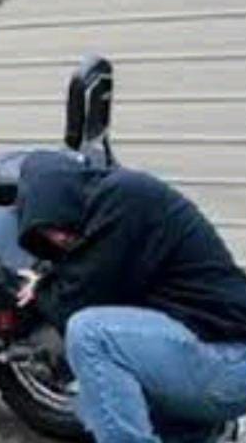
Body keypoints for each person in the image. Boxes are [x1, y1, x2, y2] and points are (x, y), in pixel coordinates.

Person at [14, 151, 246, 443]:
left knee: (91, 334)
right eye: (47, 233)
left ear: (64, 197)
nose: (57, 238)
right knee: (97, 384)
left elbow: (77, 299)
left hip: (227, 363)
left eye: (54, 224)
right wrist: (50, 281)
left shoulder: (123, 198)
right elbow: (90, 276)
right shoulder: (117, 209)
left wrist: (42, 290)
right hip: (217, 361)